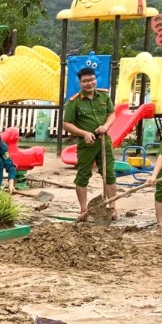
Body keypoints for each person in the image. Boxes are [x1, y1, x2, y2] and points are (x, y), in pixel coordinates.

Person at [62, 66, 117, 217]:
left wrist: (105, 126)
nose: (89, 83)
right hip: (87, 144)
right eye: (85, 81)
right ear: (80, 83)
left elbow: (112, 114)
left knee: (109, 174)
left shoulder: (104, 96)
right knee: (83, 175)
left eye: (91, 79)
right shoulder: (74, 102)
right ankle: (84, 210)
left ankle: (112, 208)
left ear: (95, 79)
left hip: (104, 142)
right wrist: (84, 133)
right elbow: (67, 124)